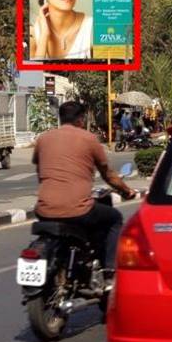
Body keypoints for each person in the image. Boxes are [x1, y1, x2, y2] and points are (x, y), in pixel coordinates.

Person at [32, 101, 136, 274]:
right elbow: (108, 174)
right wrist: (127, 190)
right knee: (114, 218)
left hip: (43, 208)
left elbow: (40, 170)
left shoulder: (43, 139)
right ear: (81, 120)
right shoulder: (89, 139)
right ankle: (110, 270)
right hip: (78, 209)